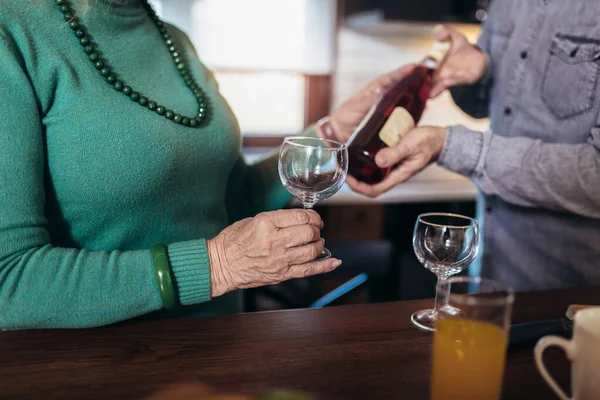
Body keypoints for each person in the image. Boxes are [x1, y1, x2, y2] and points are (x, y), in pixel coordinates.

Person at [0, 0, 414, 329]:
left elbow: (230, 199)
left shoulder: (175, 40)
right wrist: (217, 265)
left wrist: (331, 131)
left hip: (220, 344)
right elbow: (9, 283)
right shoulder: (15, 31)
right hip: (91, 366)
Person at [342, 0, 600, 291]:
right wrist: (477, 73)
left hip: (572, 289)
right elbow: (487, 107)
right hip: (489, 267)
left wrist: (447, 145)